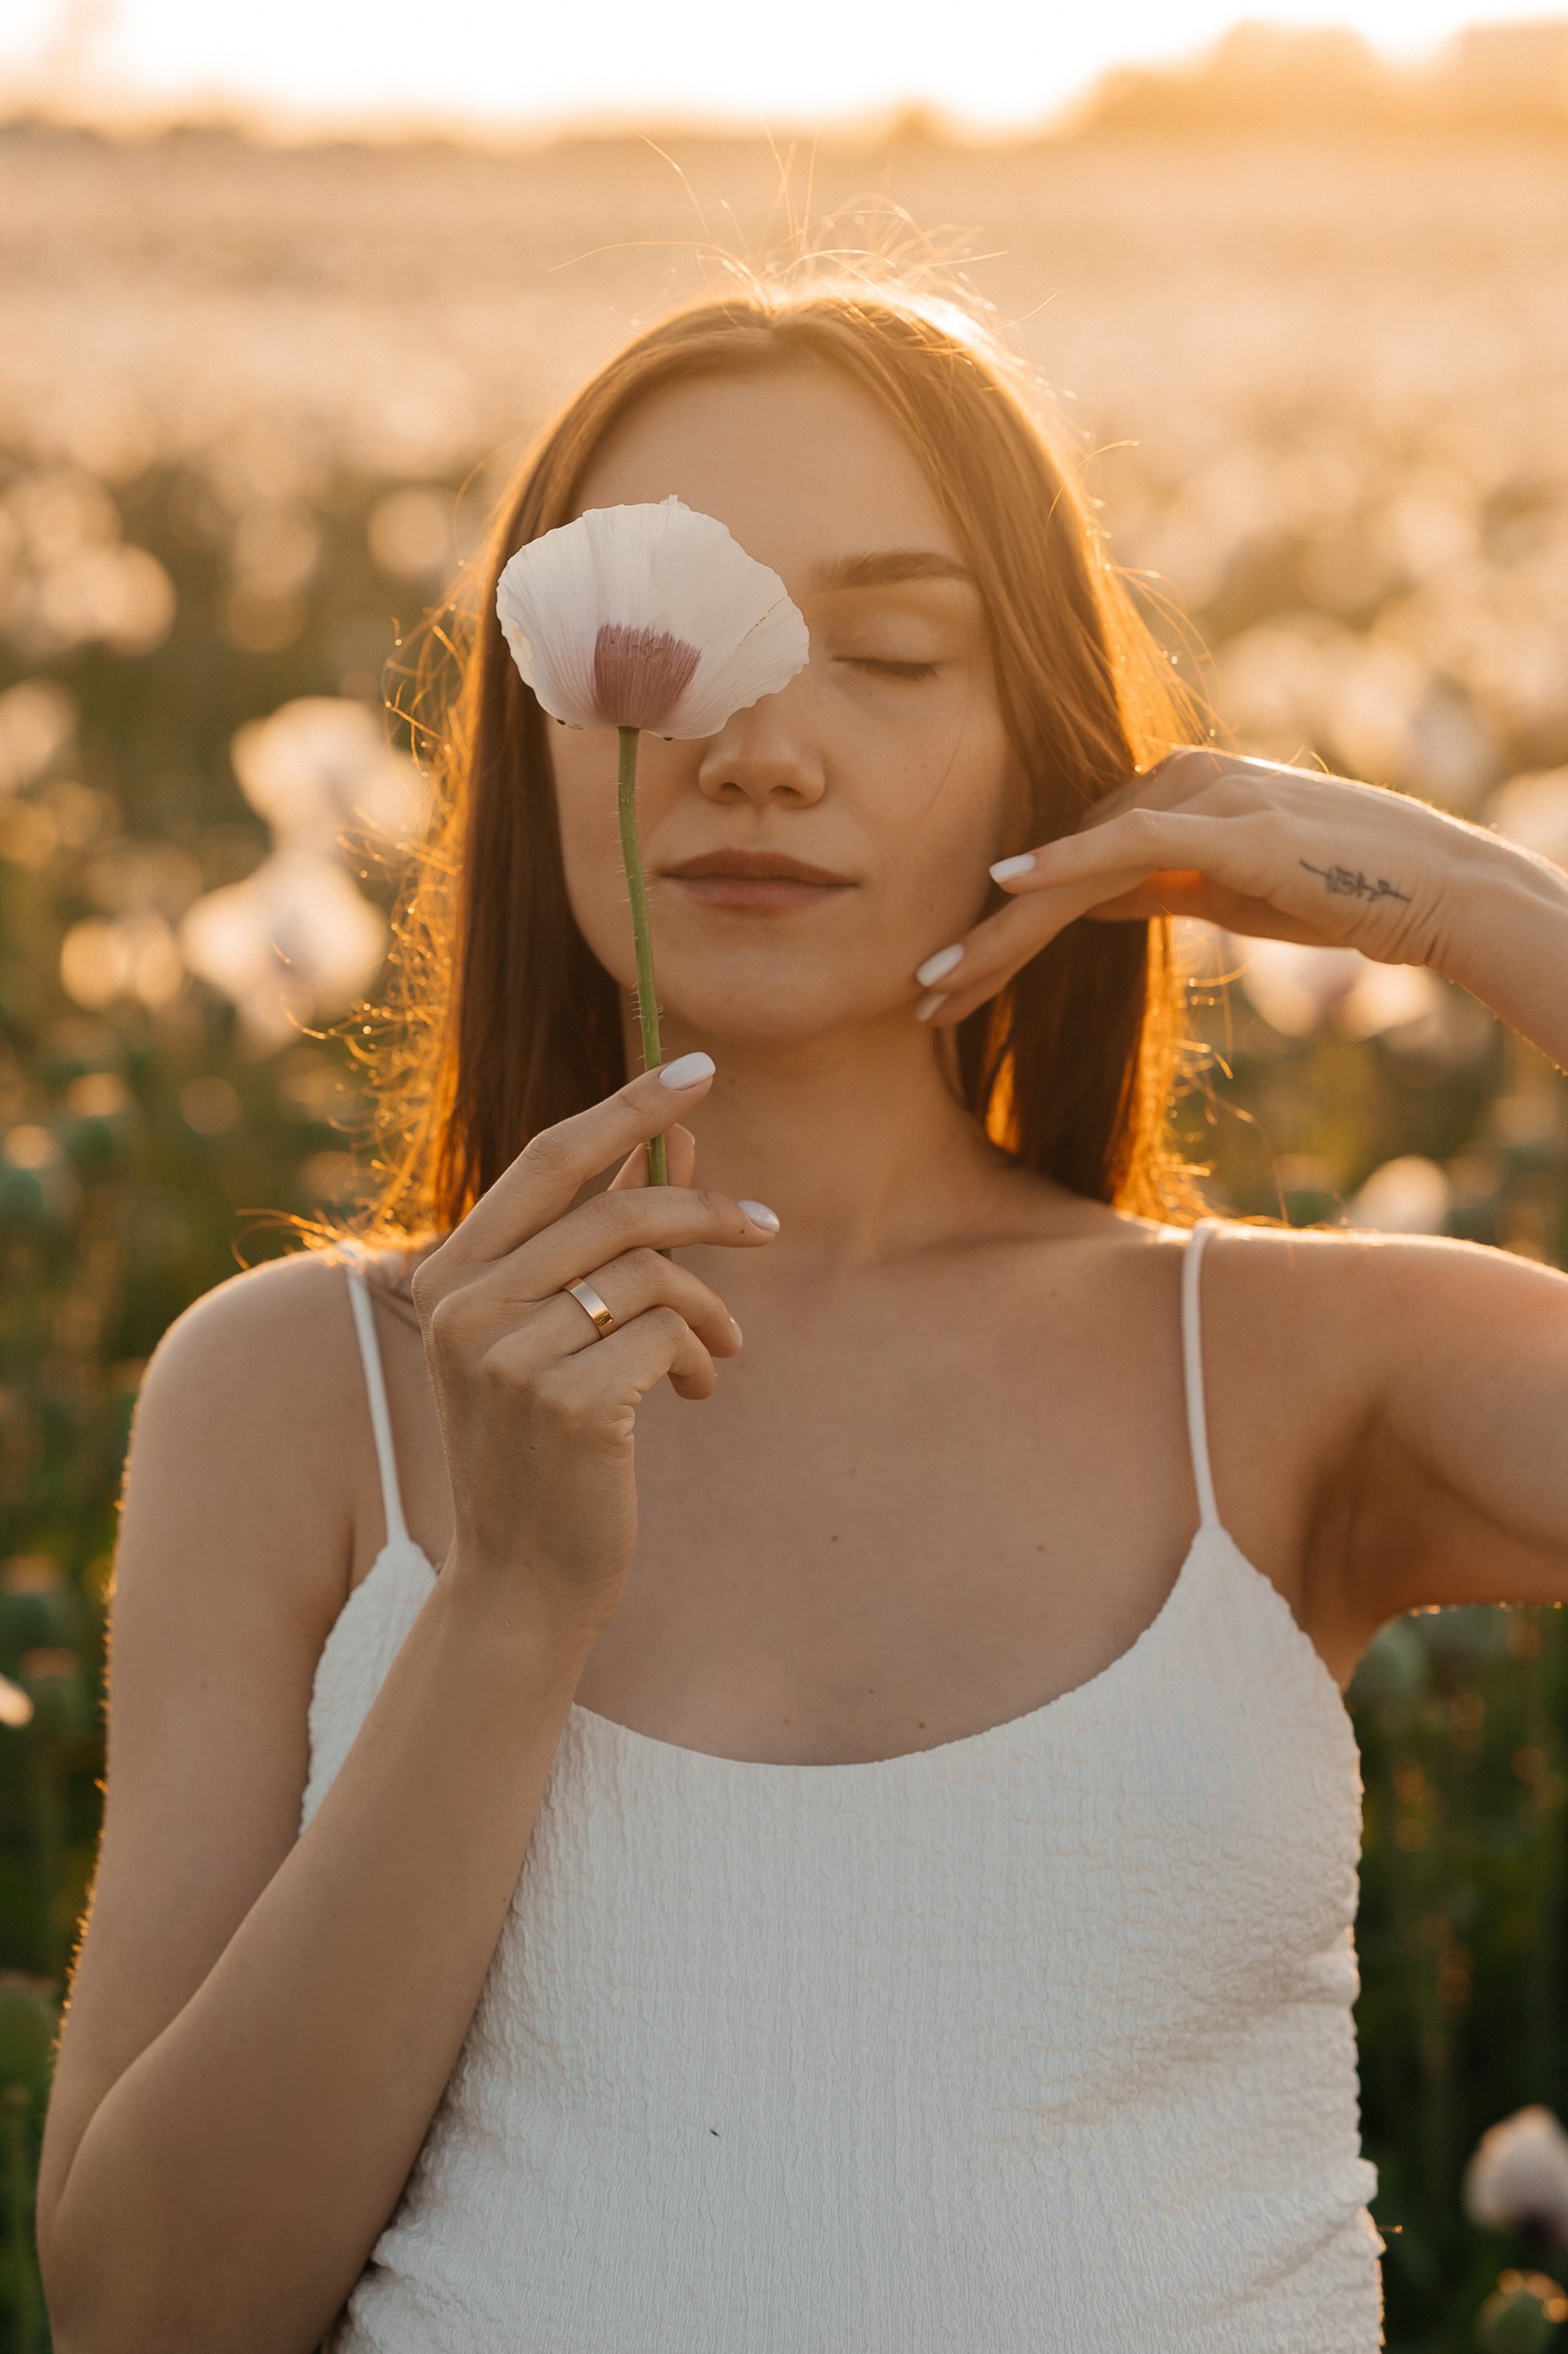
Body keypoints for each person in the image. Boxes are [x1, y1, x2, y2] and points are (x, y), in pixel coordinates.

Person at [33, 282, 1568, 2354]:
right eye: (662, 657)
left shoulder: (1287, 1367)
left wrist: (1468, 898)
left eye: (895, 649)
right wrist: (506, 1605)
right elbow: (150, 2312)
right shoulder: (305, 1392)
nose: (757, 742)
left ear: (1046, 728)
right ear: (538, 733)